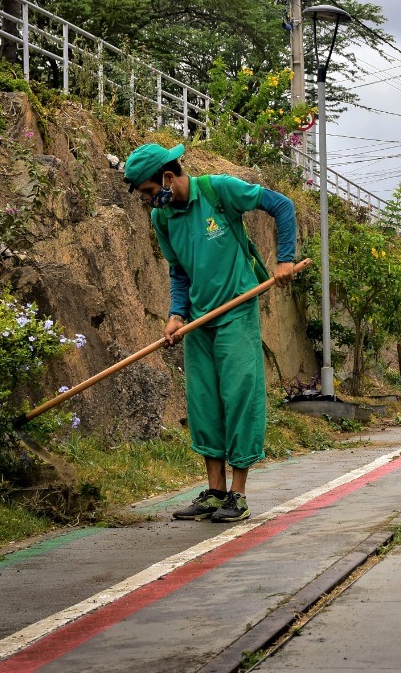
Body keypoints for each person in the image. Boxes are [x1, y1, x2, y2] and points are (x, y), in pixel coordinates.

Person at [124, 142, 306, 522]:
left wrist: (285, 258)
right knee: (204, 401)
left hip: (236, 309)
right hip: (198, 322)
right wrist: (176, 314)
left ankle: (237, 495)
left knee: (239, 395)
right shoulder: (163, 219)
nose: (146, 201)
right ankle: (214, 491)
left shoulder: (217, 190)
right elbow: (178, 272)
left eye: (146, 191)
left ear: (167, 178)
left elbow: (282, 206)